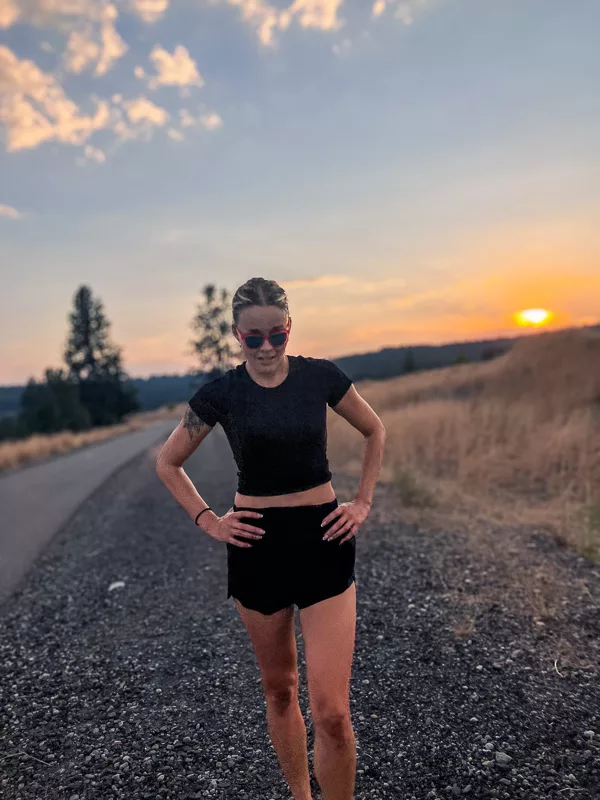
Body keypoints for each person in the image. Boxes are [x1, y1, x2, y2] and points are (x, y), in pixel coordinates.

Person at [156, 276, 386, 800]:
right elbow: (169, 464)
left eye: (275, 335)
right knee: (281, 690)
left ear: (289, 329)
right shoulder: (221, 394)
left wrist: (363, 501)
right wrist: (209, 520)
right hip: (257, 550)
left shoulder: (321, 378)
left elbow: (375, 430)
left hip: (324, 540)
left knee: (332, 713)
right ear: (237, 334)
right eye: (252, 337)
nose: (265, 348)